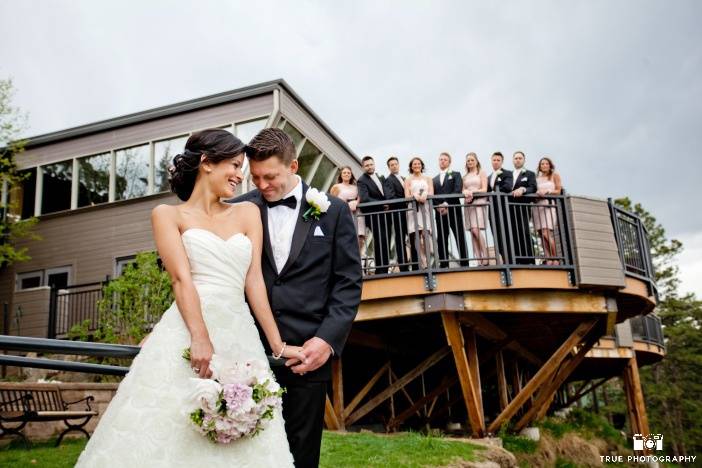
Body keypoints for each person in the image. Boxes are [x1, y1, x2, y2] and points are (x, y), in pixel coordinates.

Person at [76, 129, 306, 467]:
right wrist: (199, 337)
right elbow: (181, 279)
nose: (240, 175)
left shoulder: (248, 214)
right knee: (170, 430)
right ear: (206, 163)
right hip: (189, 331)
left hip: (239, 334)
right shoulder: (168, 215)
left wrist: (278, 345)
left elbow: (254, 281)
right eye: (234, 165)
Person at [235, 128, 362, 468]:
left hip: (307, 355)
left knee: (301, 455)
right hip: (247, 351)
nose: (261, 185)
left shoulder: (333, 211)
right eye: (255, 176)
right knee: (244, 451)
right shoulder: (237, 209)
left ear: (293, 166)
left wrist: (327, 340)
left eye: (270, 176)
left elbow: (348, 282)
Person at [433, 152, 469, 268]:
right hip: (440, 213)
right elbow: (432, 195)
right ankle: (444, 264)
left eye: (445, 160)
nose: (442, 161)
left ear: (449, 162)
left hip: (453, 210)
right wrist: (438, 206)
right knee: (442, 238)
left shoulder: (456, 175)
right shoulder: (434, 179)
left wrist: (446, 203)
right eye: (441, 159)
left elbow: (457, 190)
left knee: (459, 236)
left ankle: (465, 263)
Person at [356, 156, 390, 274]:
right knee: (380, 240)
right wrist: (382, 204)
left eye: (371, 164)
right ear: (363, 167)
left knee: (385, 240)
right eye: (367, 165)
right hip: (373, 215)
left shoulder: (380, 177)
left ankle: (385, 267)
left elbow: (387, 192)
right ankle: (381, 269)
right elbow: (365, 199)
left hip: (385, 214)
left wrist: (388, 203)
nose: (369, 167)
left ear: (374, 164)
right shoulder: (361, 180)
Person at [383, 156, 412, 272]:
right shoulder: (388, 180)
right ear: (389, 167)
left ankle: (414, 263)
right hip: (398, 213)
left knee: (412, 237)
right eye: (392, 165)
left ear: (399, 165)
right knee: (400, 239)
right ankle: (403, 266)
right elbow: (390, 197)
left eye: (396, 164)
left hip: (409, 213)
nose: (394, 166)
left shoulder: (405, 178)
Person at [509, 151, 538, 264]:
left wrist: (523, 189)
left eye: (520, 158)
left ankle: (530, 259)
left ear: (524, 160)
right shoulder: (509, 174)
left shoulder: (529, 174)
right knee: (513, 232)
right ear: (513, 160)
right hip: (510, 208)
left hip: (523, 207)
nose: (518, 160)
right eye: (516, 158)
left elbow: (533, 187)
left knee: (524, 231)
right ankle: (518, 259)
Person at [404, 157, 433, 269]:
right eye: (414, 164)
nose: (416, 165)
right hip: (413, 208)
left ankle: (428, 258)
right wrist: (414, 196)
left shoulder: (428, 179)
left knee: (425, 234)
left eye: (418, 164)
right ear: (411, 166)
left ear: (422, 165)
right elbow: (406, 196)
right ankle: (423, 261)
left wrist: (425, 194)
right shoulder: (408, 180)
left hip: (425, 207)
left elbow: (431, 192)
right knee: (416, 235)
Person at [533, 157, 563, 265]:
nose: (544, 165)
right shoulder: (536, 178)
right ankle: (548, 258)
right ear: (540, 166)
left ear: (550, 165)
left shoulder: (555, 175)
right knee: (541, 234)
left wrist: (547, 191)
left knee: (546, 233)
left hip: (548, 205)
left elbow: (558, 191)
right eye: (542, 164)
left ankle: (555, 258)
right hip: (538, 206)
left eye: (546, 163)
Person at [462, 152, 489, 266]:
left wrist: (472, 192)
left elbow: (484, 189)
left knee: (476, 229)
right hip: (469, 204)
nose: (470, 162)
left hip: (479, 202)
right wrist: (465, 193)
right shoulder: (465, 177)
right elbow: (463, 190)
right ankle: (478, 259)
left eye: (472, 160)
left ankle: (486, 256)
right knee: (472, 232)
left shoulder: (481, 173)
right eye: (468, 160)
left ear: (476, 161)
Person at [330, 166, 365, 253]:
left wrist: (356, 202)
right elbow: (332, 201)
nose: (346, 174)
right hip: (343, 213)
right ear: (341, 175)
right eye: (344, 173)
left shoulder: (356, 187)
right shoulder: (336, 187)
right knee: (346, 236)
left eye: (348, 173)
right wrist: (346, 205)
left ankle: (358, 257)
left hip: (356, 213)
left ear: (351, 175)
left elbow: (360, 197)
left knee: (360, 237)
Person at [486, 152, 513, 264]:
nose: (496, 162)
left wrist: (494, 192)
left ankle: (511, 260)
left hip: (504, 209)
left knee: (506, 234)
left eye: (498, 160)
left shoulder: (507, 173)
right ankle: (504, 259)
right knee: (496, 235)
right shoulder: (489, 177)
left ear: (502, 162)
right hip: (493, 210)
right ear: (491, 161)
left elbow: (507, 186)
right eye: (494, 160)